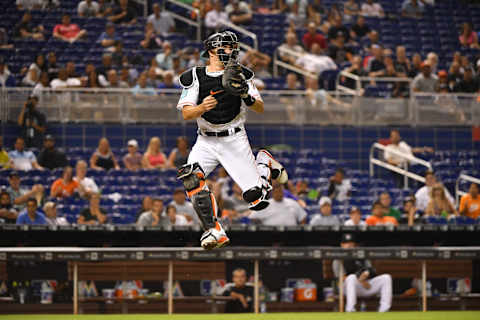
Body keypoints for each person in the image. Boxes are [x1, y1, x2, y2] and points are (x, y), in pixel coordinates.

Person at [176, 31, 288, 249]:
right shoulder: (195, 76)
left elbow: (260, 107)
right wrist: (202, 107)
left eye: (232, 47)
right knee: (190, 177)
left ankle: (264, 161)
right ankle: (214, 231)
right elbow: (187, 113)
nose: (231, 51)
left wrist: (245, 93)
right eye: (226, 47)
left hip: (234, 138)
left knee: (257, 197)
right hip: (206, 140)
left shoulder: (241, 74)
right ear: (211, 50)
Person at [332, 233, 392, 312]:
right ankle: (350, 310)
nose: (349, 245)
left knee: (386, 278)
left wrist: (365, 277)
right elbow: (340, 279)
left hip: (365, 285)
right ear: (342, 245)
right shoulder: (338, 259)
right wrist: (359, 279)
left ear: (354, 244)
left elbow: (371, 271)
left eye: (351, 243)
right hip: (347, 288)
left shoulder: (361, 255)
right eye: (346, 243)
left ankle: (384, 310)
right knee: (351, 277)